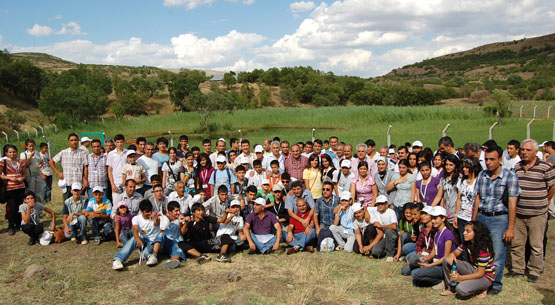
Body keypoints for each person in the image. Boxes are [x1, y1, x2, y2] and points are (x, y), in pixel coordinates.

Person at [471, 145, 520, 295]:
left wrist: (510, 228)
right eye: (486, 159)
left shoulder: (509, 176)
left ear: (500, 159)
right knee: (481, 252)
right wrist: (473, 222)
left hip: (499, 218)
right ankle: (480, 281)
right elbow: (477, 198)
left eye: (492, 159)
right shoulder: (482, 175)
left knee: (498, 254)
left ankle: (495, 284)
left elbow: (512, 203)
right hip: (482, 216)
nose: (488, 162)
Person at [510, 139, 555, 283]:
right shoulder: (517, 167)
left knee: (536, 244)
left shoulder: (545, 167)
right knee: (517, 243)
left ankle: (534, 270)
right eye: (522, 149)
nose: (524, 152)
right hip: (519, 213)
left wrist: (546, 200)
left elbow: (552, 186)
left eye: (528, 150)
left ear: (536, 152)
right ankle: (517, 269)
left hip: (537, 214)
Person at [441, 221, 495, 299]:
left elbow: (480, 273)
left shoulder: (483, 249)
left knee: (461, 289)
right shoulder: (468, 243)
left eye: (468, 231)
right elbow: (456, 252)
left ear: (476, 233)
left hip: (485, 276)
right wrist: (452, 255)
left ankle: (483, 287)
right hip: (474, 269)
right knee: (446, 260)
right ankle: (451, 287)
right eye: (464, 230)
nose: (464, 233)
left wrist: (460, 278)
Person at [411, 206, 456, 287]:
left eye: (435, 218)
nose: (433, 221)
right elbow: (434, 251)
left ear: (443, 219)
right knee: (414, 264)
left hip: (443, 266)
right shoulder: (437, 232)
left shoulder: (448, 234)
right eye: (432, 218)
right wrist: (426, 258)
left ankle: (442, 280)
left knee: (416, 274)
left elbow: (446, 257)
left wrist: (429, 265)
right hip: (436, 262)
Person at [112, 199, 161, 270]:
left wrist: (156, 218)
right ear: (141, 211)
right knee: (134, 239)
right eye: (147, 212)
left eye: (150, 211)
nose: (149, 213)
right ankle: (118, 259)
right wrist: (138, 240)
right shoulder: (136, 218)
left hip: (152, 241)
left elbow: (157, 224)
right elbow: (135, 229)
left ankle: (150, 256)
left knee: (147, 252)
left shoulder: (155, 216)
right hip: (142, 237)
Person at [49, 133, 89, 201]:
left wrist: (85, 178)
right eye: (72, 140)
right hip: (67, 182)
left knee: (80, 203)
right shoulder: (63, 152)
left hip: (78, 182)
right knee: (67, 203)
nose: (74, 142)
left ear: (78, 141)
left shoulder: (83, 153)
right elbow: (51, 162)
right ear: (69, 142)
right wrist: (58, 173)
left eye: (76, 140)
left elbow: (85, 167)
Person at [1, 144, 27, 235]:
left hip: (20, 187)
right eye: (10, 152)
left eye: (14, 152)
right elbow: (0, 175)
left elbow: (24, 174)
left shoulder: (21, 162)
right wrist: (9, 178)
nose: (12, 154)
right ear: (6, 153)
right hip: (10, 188)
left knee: (20, 206)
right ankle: (11, 226)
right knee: (12, 208)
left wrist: (22, 178)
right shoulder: (3, 162)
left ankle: (19, 224)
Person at [401, 206, 435, 276]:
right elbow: (419, 244)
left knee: (412, 258)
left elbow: (435, 249)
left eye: (426, 214)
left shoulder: (435, 229)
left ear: (431, 216)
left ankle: (423, 267)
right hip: (423, 254)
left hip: (431, 257)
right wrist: (419, 252)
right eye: (422, 214)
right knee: (404, 271)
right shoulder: (423, 229)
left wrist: (425, 253)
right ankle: (419, 265)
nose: (423, 216)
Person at [454, 157, 481, 240]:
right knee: (463, 241)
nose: (464, 169)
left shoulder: (478, 182)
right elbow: (459, 199)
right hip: (461, 216)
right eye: (463, 167)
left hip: (471, 217)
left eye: (467, 167)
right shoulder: (462, 181)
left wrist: (474, 219)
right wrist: (456, 216)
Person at [368, 195, 398, 261]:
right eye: (378, 204)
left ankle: (390, 254)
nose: (380, 206)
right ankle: (384, 250)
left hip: (391, 234)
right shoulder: (375, 210)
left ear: (386, 204)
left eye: (382, 204)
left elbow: (394, 226)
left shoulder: (391, 212)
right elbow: (365, 208)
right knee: (376, 252)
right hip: (382, 236)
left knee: (389, 231)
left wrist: (381, 226)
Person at [432, 155, 460, 222]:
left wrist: (456, 215)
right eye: (446, 165)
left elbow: (459, 198)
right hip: (446, 212)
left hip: (455, 212)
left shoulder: (459, 179)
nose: (448, 167)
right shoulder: (443, 179)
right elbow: (439, 196)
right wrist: (431, 207)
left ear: (455, 166)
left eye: (451, 165)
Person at [160, 201, 188, 268]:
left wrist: (183, 223)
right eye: (176, 211)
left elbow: (182, 233)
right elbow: (160, 232)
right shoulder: (163, 219)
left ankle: (173, 261)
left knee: (177, 248)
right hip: (164, 243)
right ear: (170, 212)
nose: (178, 213)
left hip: (175, 242)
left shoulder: (180, 219)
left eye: (179, 210)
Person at [314, 181, 340, 248]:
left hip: (334, 225)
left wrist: (340, 206)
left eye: (328, 189)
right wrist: (317, 227)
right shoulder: (319, 201)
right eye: (323, 189)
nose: (325, 191)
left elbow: (347, 204)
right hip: (323, 225)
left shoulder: (337, 200)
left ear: (332, 190)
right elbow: (315, 215)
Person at [107, 134, 128, 204]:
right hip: (116, 181)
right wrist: (112, 184)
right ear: (115, 143)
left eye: (121, 142)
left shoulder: (127, 153)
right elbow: (110, 170)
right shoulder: (111, 154)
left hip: (127, 181)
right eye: (118, 142)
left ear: (124, 142)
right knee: (116, 203)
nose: (120, 144)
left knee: (126, 202)